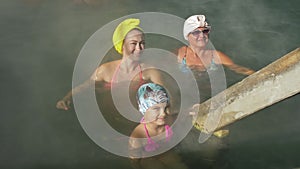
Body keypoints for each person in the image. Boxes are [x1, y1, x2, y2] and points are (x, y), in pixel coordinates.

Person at [56, 18, 163, 110]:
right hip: (109, 115)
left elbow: (165, 95)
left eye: (142, 43)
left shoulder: (150, 71)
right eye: (133, 43)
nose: (139, 48)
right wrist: (67, 98)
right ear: (122, 45)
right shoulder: (105, 71)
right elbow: (86, 86)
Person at [129, 83, 189, 169]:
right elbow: (134, 160)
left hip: (166, 153)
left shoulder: (169, 120)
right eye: (156, 109)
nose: (163, 114)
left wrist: (191, 111)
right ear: (144, 110)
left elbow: (183, 115)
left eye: (165, 107)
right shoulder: (138, 136)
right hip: (149, 158)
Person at [177, 14, 255, 75]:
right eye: (196, 32)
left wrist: (257, 75)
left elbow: (238, 69)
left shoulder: (216, 57)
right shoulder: (181, 54)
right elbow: (165, 71)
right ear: (187, 35)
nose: (201, 36)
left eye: (205, 31)